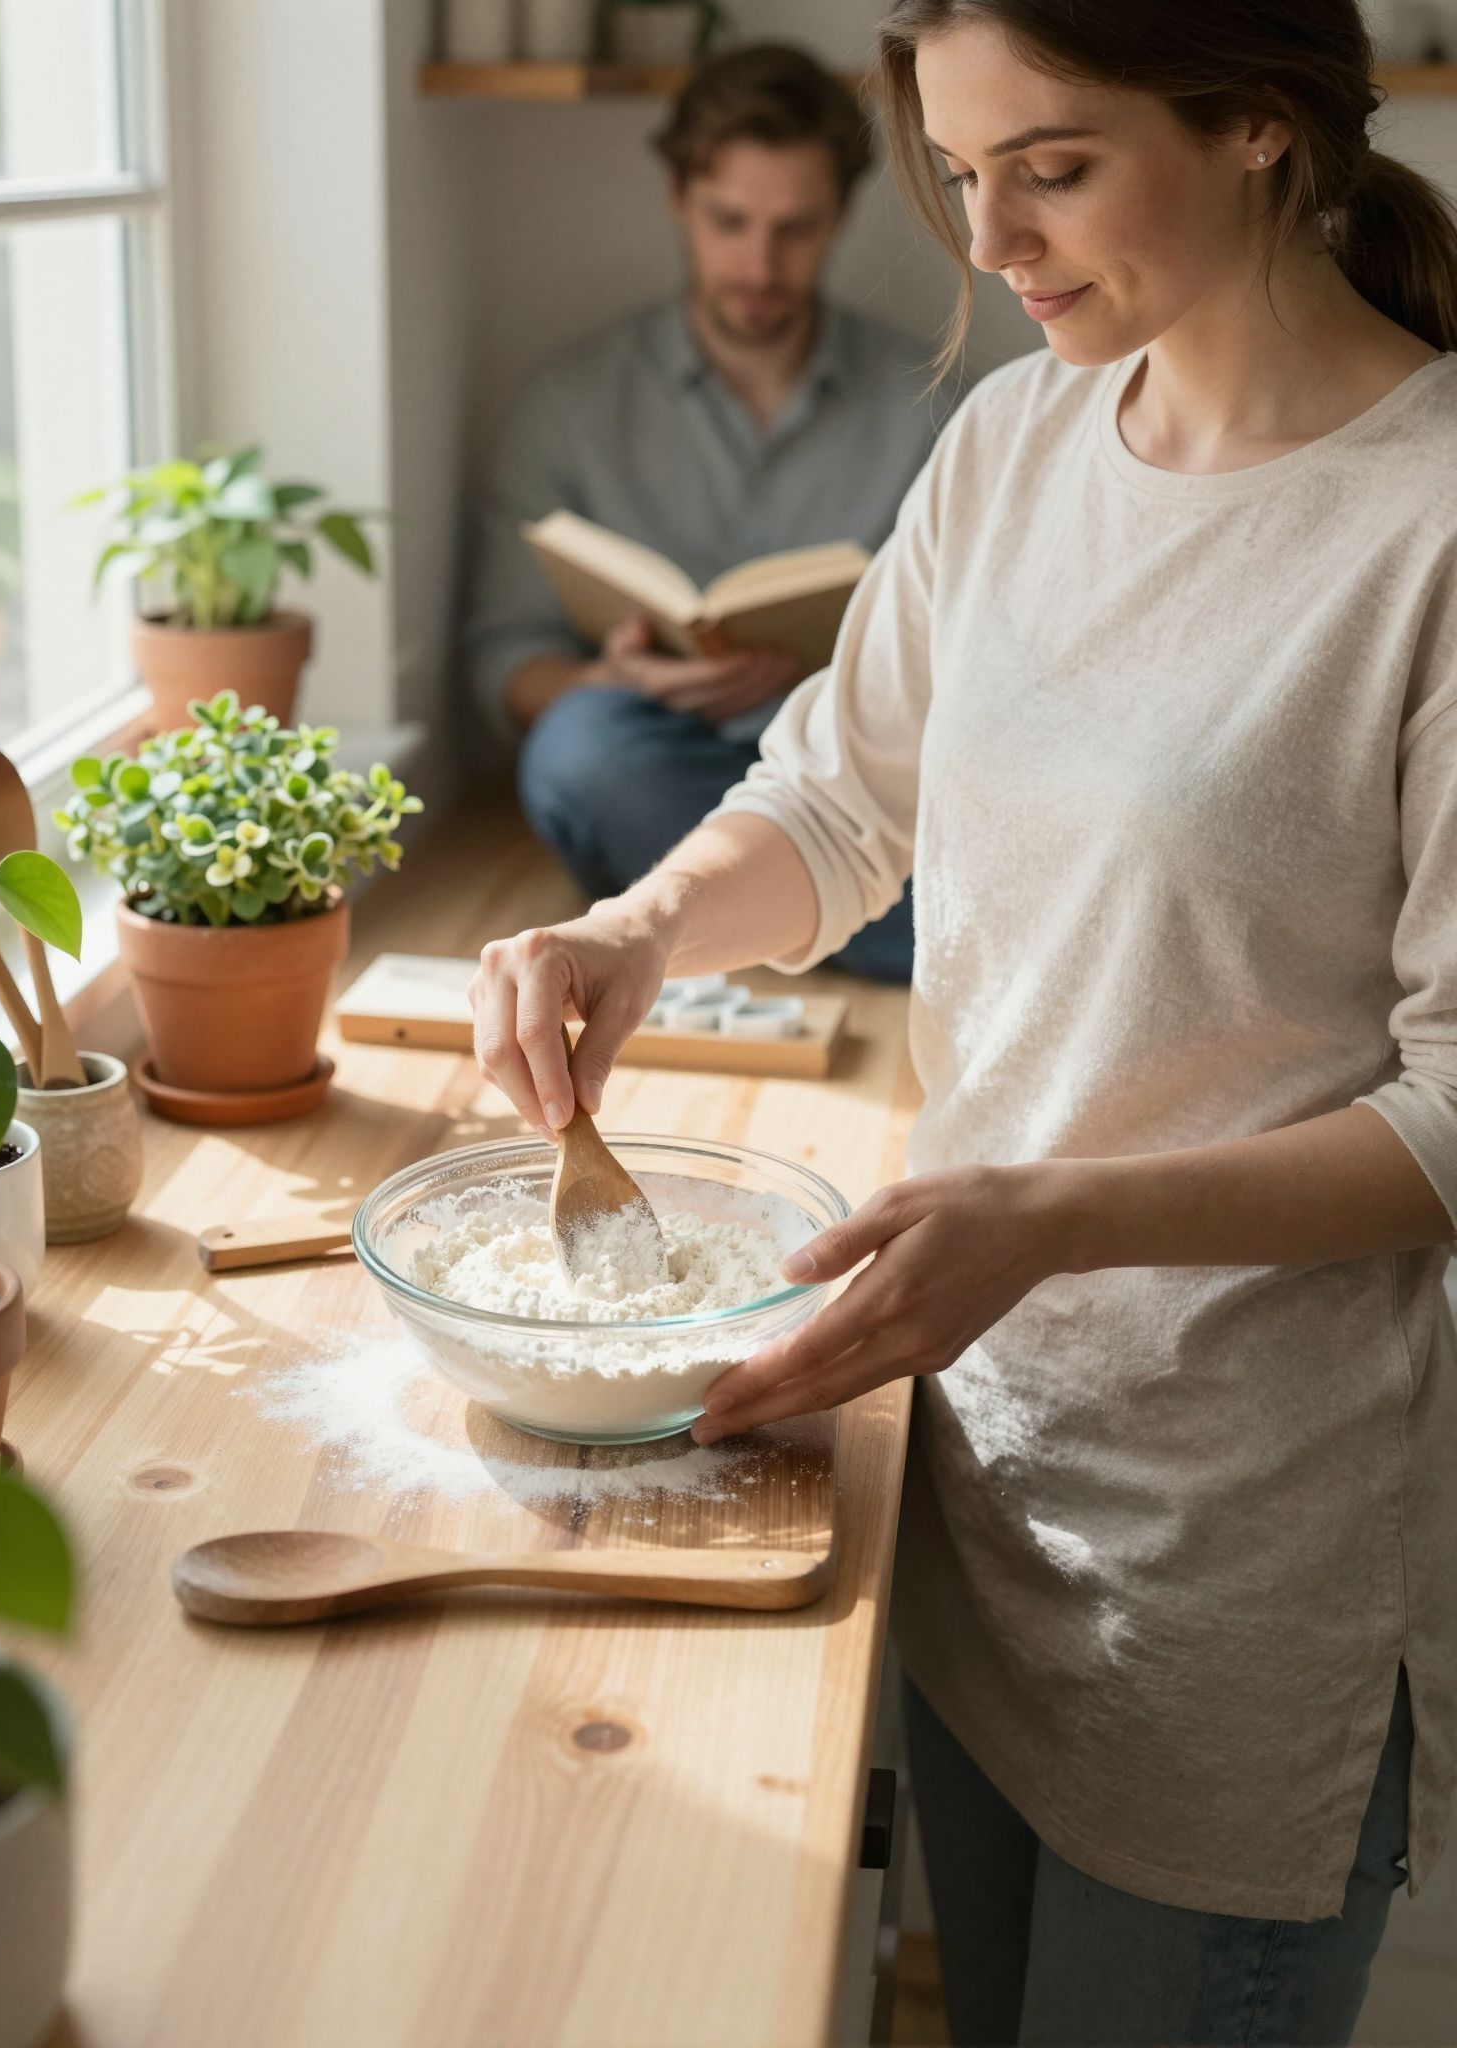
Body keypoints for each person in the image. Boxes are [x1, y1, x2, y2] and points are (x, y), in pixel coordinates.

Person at [468, 1, 1457, 2041]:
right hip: (963, 1470)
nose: (989, 236)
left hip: (1222, 1567)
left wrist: (1054, 1219)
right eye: (957, 166)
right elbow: (840, 798)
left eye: (1056, 165)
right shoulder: (1014, 440)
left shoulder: (1426, 526)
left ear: (1263, 128)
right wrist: (640, 928)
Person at [465, 43, 942, 984]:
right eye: (730, 221)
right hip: (652, 756)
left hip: (851, 771)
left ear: (840, 216)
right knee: (578, 749)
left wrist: (824, 661)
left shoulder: (928, 400)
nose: (758, 264)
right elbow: (503, 660)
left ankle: (744, 919)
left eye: (795, 229)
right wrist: (610, 675)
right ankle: (919, 941)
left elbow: (969, 659)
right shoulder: (570, 401)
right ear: (679, 199)